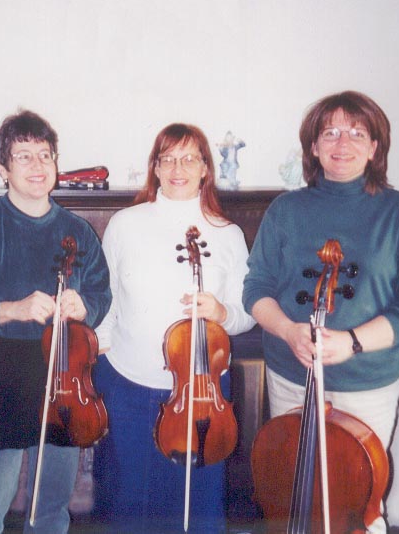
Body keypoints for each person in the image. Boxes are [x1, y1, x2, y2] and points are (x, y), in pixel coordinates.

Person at [242, 90, 399, 531]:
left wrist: (352, 342)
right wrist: (288, 330)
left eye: (356, 133)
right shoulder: (286, 209)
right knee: (293, 498)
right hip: (292, 380)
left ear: (375, 148)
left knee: (358, 505)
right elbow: (256, 289)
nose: (342, 143)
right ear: (313, 147)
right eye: (330, 133)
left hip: (366, 386)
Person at [0, 109, 111, 534]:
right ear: (2, 168)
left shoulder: (78, 232)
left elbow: (101, 295)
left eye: (45, 155)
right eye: (24, 156)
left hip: (63, 378)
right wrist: (12, 309)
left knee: (51, 510)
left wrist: (83, 307)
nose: (38, 166)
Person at [92, 123, 256, 533]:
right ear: (156, 168)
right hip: (128, 382)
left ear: (205, 169)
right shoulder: (125, 223)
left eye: (188, 159)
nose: (177, 168)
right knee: (129, 501)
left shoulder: (227, 234)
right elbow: (105, 297)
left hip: (202, 391)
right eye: (167, 159)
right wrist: (105, 350)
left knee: (197, 504)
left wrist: (221, 312)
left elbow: (246, 313)